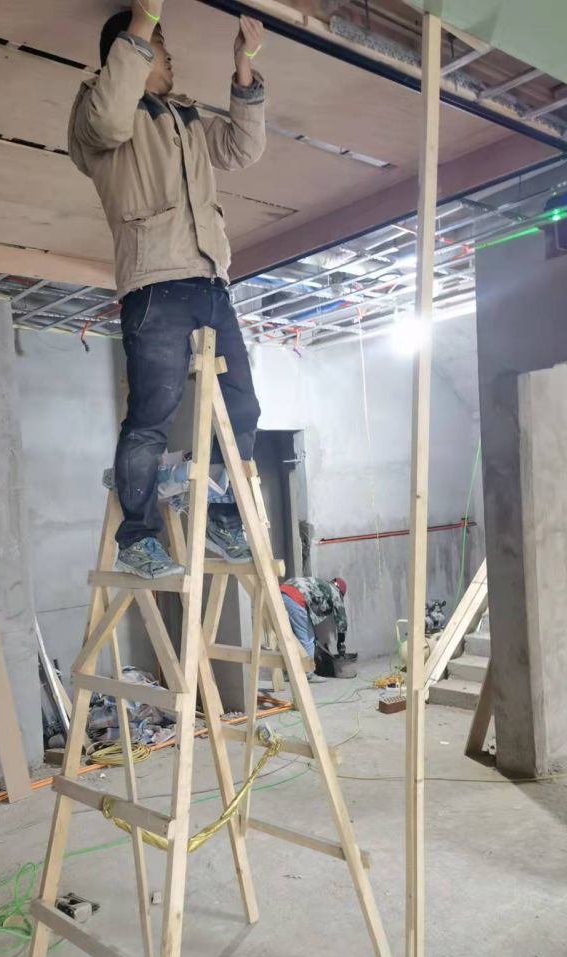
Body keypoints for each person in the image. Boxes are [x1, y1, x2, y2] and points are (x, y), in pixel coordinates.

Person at [69, 0, 267, 579]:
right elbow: (110, 119)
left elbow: (243, 149)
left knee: (241, 404)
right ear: (126, 55)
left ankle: (223, 519)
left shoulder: (185, 117)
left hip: (211, 282)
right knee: (152, 415)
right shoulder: (97, 112)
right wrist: (143, 20)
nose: (170, 58)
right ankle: (137, 538)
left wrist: (244, 70)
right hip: (155, 283)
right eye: (160, 49)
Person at [280, 576, 348, 677]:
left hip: (281, 593)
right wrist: (341, 645)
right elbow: (342, 620)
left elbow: (309, 611)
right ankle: (308, 673)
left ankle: (287, 672)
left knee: (291, 637)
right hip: (295, 598)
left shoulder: (321, 585)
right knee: (308, 640)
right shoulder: (335, 592)